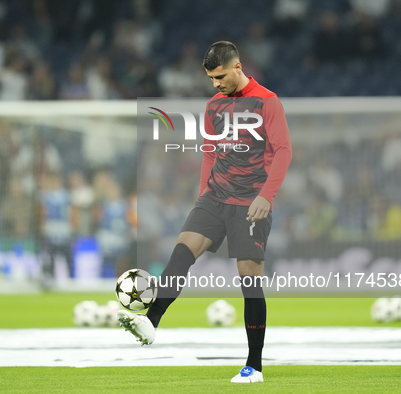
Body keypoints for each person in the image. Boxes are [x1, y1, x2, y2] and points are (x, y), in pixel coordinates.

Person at [118, 41, 292, 384]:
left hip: (251, 201)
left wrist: (267, 197)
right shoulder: (214, 105)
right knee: (182, 249)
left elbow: (284, 151)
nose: (216, 83)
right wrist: (202, 196)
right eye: (211, 78)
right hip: (215, 197)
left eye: (221, 76)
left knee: (249, 278)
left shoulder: (267, 102)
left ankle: (254, 366)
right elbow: (210, 153)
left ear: (238, 67)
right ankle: (151, 322)